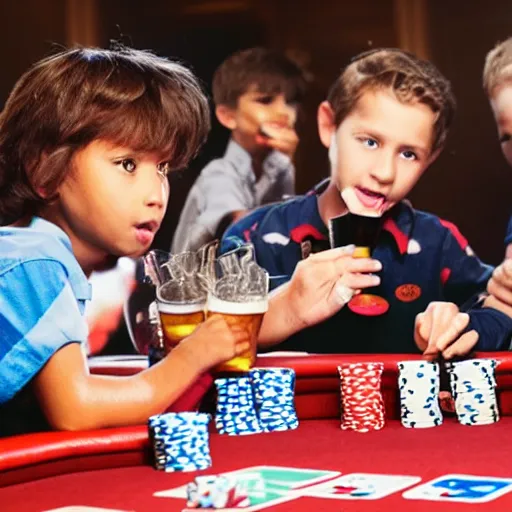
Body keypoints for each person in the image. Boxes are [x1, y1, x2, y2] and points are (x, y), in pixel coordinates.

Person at [0, 46, 366, 436]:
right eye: (127, 164)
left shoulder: (40, 254)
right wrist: (192, 356)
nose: (156, 193)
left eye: (161, 167)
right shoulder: (37, 259)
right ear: (45, 169)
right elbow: (76, 409)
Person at [222, 47, 512, 356]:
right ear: (329, 127)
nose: (384, 173)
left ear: (430, 160)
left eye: (409, 154)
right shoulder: (252, 238)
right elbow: (197, 346)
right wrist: (284, 308)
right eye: (370, 142)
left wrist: (460, 326)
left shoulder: (437, 244)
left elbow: (500, 312)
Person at [171, 47, 307, 253]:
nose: (284, 113)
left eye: (290, 102)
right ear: (228, 116)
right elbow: (247, 234)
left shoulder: (280, 168)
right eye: (265, 100)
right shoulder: (218, 174)